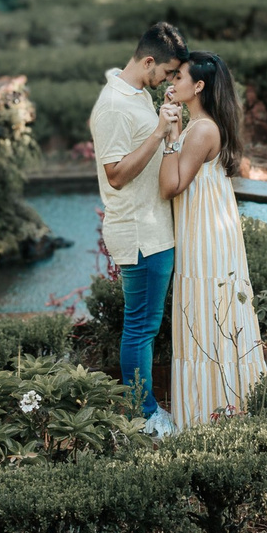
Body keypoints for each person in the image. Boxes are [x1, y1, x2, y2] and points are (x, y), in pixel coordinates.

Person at [158, 49, 267, 427]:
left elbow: (171, 185)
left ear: (199, 86)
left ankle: (207, 416)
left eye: (180, 77)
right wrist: (173, 131)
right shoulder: (198, 126)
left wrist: (169, 136)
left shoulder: (202, 130)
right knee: (207, 315)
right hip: (205, 235)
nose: (172, 82)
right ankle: (220, 408)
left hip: (204, 241)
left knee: (205, 315)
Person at [92, 22, 189, 434]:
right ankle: (144, 416)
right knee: (141, 329)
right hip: (139, 234)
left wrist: (165, 118)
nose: (169, 79)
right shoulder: (114, 106)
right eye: (166, 73)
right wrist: (157, 131)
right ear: (148, 61)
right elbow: (115, 174)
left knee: (144, 326)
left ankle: (144, 410)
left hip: (152, 228)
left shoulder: (135, 93)